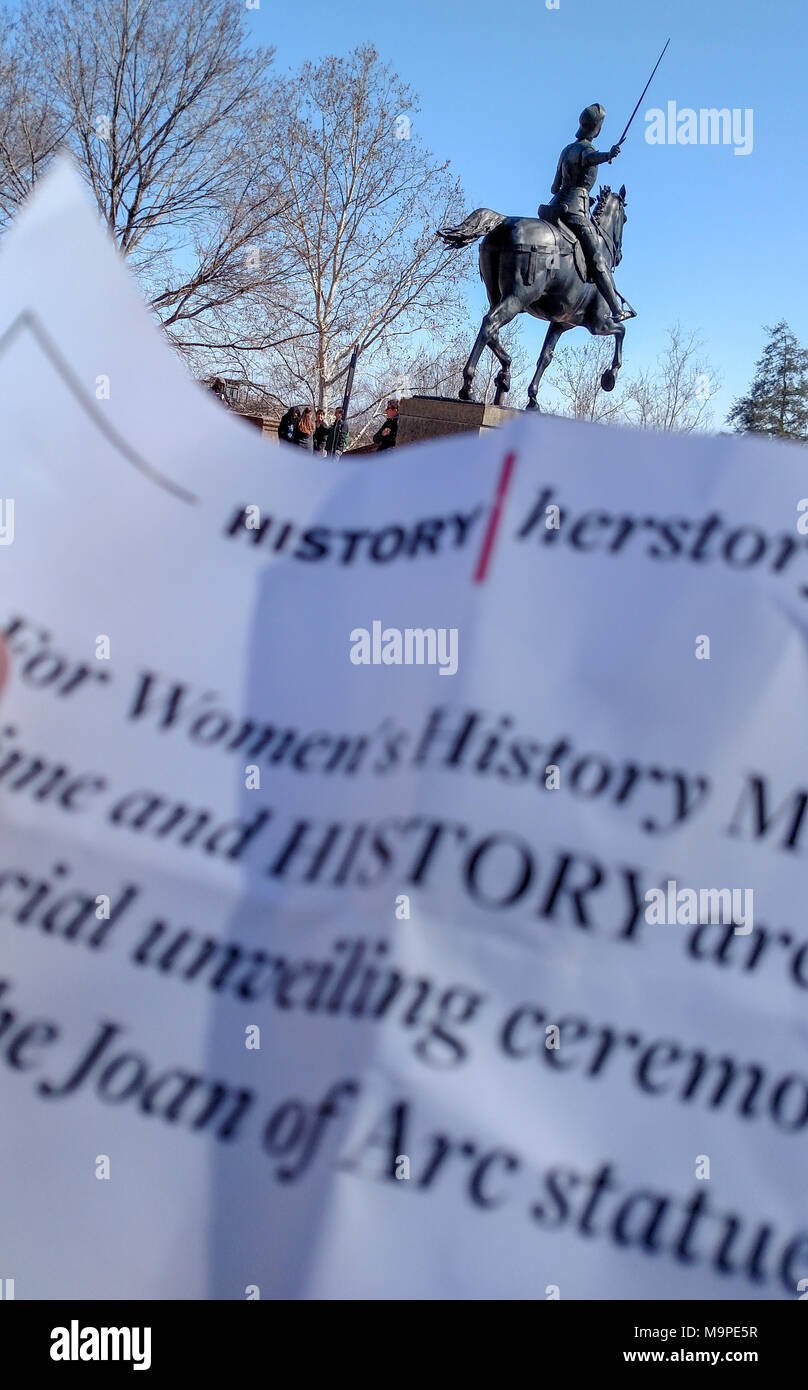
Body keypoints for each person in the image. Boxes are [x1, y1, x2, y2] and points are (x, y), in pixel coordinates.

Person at [540, 103, 634, 328]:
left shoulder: (565, 151)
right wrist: (609, 154)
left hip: (553, 209)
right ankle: (616, 309)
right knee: (597, 259)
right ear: (597, 129)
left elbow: (555, 187)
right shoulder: (586, 150)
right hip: (574, 213)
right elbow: (590, 157)